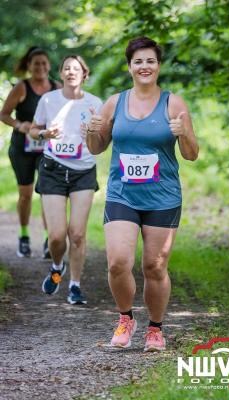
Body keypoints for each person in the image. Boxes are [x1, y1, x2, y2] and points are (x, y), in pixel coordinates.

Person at [86, 37, 199, 351]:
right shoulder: (115, 102)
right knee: (118, 263)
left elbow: (191, 154)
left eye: (150, 61)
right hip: (123, 194)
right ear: (129, 66)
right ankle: (125, 318)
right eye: (138, 61)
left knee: (155, 265)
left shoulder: (173, 103)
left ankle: (155, 329)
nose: (144, 66)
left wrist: (184, 132)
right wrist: (90, 131)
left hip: (163, 196)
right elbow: (97, 147)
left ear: (158, 66)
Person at [30, 55, 102, 305]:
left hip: (83, 171)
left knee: (78, 233)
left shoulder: (95, 103)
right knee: (58, 236)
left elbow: (100, 144)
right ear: (60, 73)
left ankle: (75, 286)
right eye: (66, 68)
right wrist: (44, 133)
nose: (71, 72)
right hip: (53, 170)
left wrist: (92, 133)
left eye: (76, 68)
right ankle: (57, 267)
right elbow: (33, 129)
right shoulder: (48, 100)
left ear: (85, 73)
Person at [0, 47, 61, 258]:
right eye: (36, 63)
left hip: (48, 149)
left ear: (49, 66)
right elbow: (4, 114)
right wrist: (19, 125)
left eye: (44, 63)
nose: (40, 67)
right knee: (25, 195)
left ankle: (48, 240)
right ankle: (24, 237)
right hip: (23, 149)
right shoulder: (22, 87)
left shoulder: (56, 88)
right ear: (29, 66)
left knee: (47, 194)